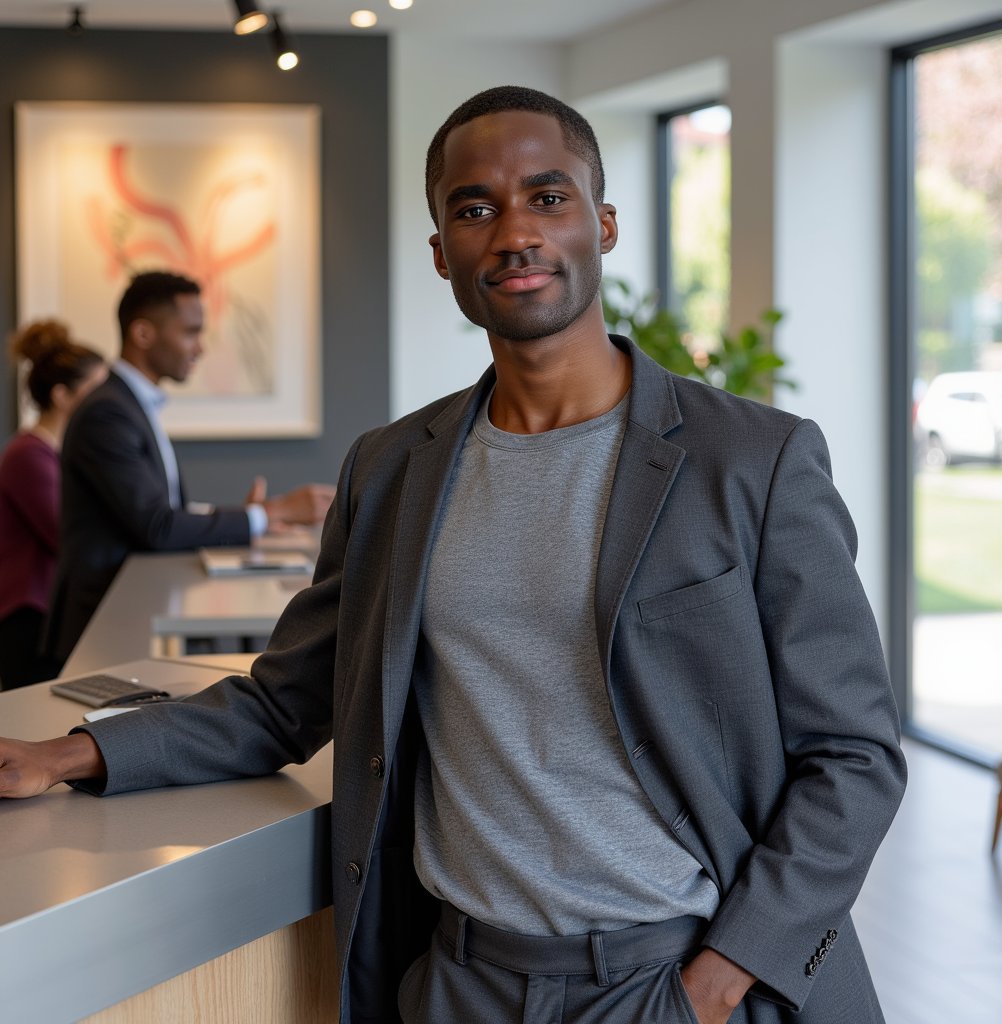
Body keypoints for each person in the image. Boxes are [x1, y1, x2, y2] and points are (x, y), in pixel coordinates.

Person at [0, 88, 906, 1024]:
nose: (514, 231)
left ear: (603, 224)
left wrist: (720, 978)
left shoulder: (754, 459)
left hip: (668, 980)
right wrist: (69, 755)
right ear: (442, 254)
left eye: (547, 198)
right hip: (458, 982)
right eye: (474, 209)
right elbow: (286, 701)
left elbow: (855, 754)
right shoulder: (392, 469)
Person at [41, 270, 334, 668]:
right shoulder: (107, 413)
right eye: (191, 332)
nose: (200, 348)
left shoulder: (128, 405)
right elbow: (158, 525)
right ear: (143, 334)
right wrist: (270, 513)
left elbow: (163, 508)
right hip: (103, 622)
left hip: (127, 611)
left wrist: (252, 519)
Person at [0, 321, 107, 689]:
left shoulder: (56, 454)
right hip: (29, 618)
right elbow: (66, 533)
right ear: (62, 396)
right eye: (95, 390)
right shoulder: (28, 455)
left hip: (49, 613)